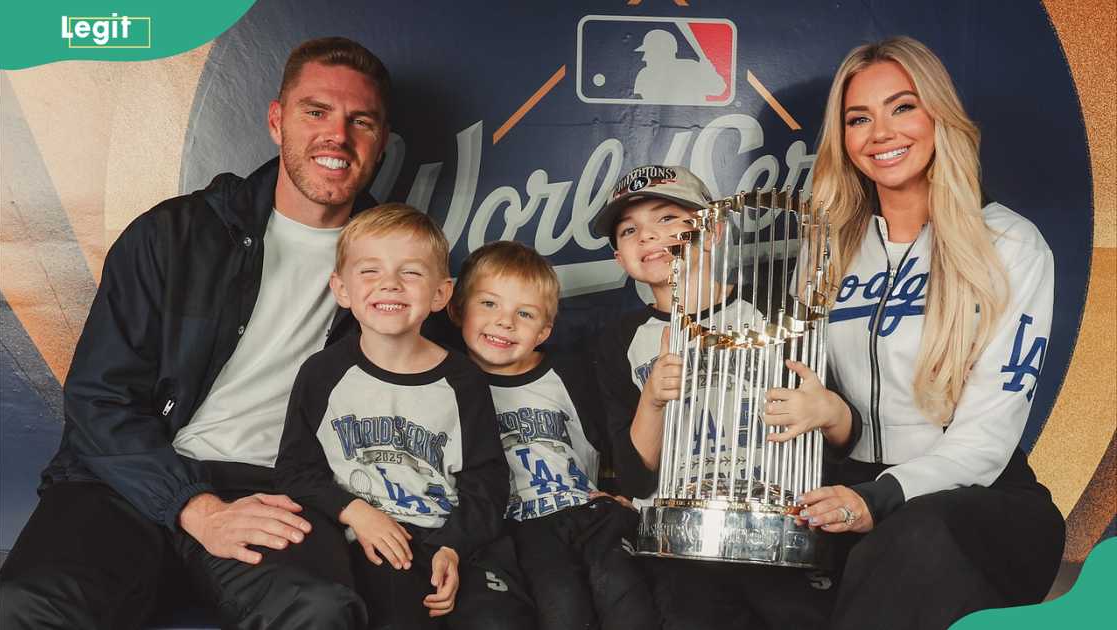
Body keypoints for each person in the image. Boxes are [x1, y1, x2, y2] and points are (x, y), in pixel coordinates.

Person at [0, 37, 392, 629]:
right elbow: (98, 400)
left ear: (380, 139)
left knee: (320, 612)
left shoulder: (399, 266)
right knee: (24, 606)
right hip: (130, 480)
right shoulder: (172, 235)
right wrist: (192, 507)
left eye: (360, 120)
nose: (337, 136)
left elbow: (426, 402)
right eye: (316, 112)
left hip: (274, 493)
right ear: (276, 120)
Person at [770, 36, 1065, 628]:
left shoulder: (1009, 245)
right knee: (727, 563)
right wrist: (832, 419)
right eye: (859, 118)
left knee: (908, 541)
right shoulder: (826, 253)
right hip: (851, 490)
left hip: (977, 504)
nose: (880, 133)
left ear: (938, 115)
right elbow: (831, 411)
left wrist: (876, 500)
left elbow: (985, 440)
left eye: (902, 107)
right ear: (844, 138)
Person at [589, 165, 856, 630]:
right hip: (685, 545)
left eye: (667, 218)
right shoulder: (619, 341)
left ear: (712, 230)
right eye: (630, 229)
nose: (648, 235)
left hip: (782, 531)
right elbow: (633, 476)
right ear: (619, 256)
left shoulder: (776, 313)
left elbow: (841, 441)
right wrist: (651, 400)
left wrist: (830, 412)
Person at [275, 205, 535, 630]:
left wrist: (453, 546)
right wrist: (354, 511)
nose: (390, 284)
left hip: (457, 541)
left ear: (440, 294)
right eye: (370, 271)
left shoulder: (463, 381)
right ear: (341, 289)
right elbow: (294, 472)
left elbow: (486, 483)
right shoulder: (322, 373)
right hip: (372, 541)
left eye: (411, 273)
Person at [447, 240, 658, 630]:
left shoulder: (571, 375)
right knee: (563, 607)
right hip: (521, 527)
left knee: (629, 602)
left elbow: (618, 441)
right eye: (489, 304)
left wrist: (625, 495)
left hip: (586, 512)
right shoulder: (445, 384)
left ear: (544, 330)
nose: (505, 322)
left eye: (524, 313)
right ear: (457, 309)